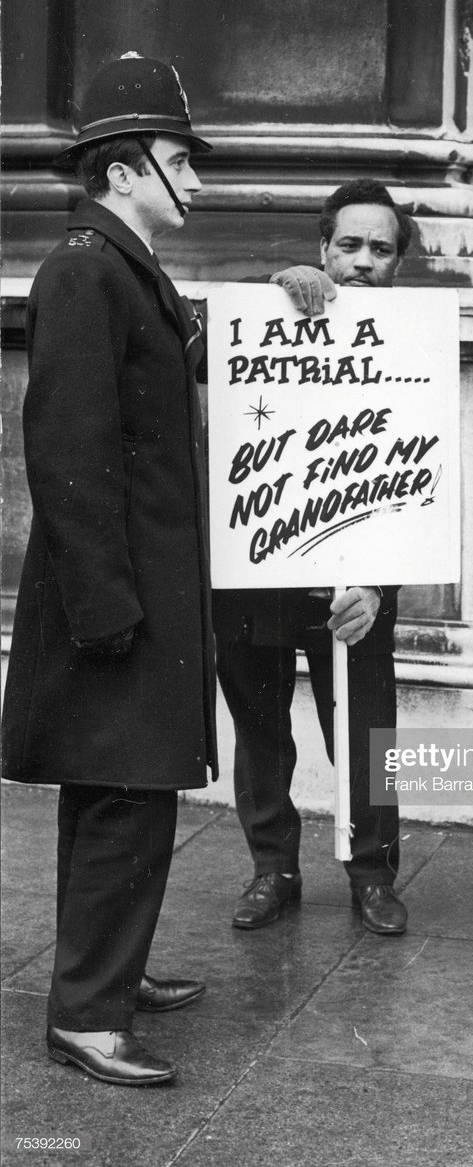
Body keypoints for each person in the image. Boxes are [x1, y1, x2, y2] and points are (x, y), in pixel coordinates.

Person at [1, 53, 218, 1085]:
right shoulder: (87, 268)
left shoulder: (115, 265)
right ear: (126, 168)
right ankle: (88, 1011)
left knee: (123, 791)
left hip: (137, 587)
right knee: (126, 795)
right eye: (183, 161)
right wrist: (105, 608)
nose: (198, 182)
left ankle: (110, 975)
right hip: (118, 594)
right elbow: (68, 450)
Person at [213, 179, 414, 936]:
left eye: (381, 249)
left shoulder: (412, 346)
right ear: (322, 250)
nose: (363, 262)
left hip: (353, 589)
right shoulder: (278, 313)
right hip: (257, 575)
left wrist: (377, 584)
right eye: (349, 246)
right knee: (261, 734)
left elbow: (415, 485)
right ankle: (273, 869)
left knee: (367, 736)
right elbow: (208, 359)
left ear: (399, 264)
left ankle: (372, 873)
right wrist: (269, 300)